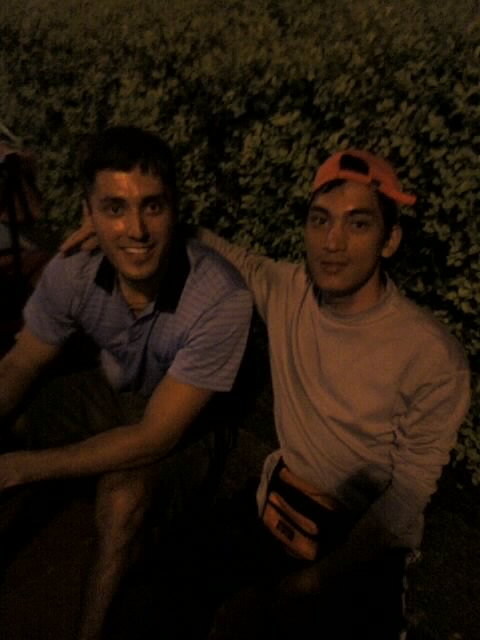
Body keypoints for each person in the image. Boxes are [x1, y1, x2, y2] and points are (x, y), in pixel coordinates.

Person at [62, 149, 471, 639]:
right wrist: (130, 230)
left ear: (390, 240)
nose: (333, 242)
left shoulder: (432, 356)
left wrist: (307, 586)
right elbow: (218, 250)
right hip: (275, 503)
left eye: (359, 224)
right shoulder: (288, 289)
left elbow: (403, 505)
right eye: (320, 220)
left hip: (359, 536)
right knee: (154, 600)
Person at [0, 126, 252, 640]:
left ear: (175, 210)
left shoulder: (220, 297)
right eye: (114, 208)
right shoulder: (73, 270)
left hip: (185, 424)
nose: (135, 230)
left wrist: (22, 468)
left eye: (152, 207)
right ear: (88, 213)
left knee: (121, 501)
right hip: (114, 391)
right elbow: (20, 365)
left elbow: (156, 435)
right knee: (16, 416)